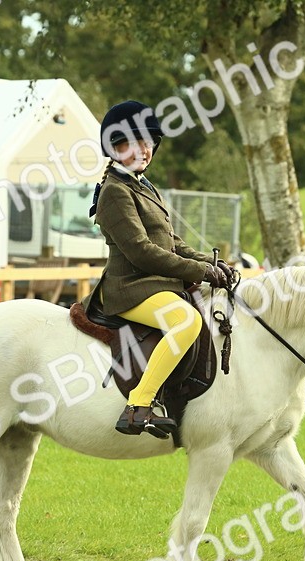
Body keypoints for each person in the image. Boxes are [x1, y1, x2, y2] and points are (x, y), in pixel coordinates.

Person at [84, 100, 237, 438]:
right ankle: (139, 405)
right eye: (134, 143)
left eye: (148, 143)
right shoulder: (114, 192)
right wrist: (199, 272)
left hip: (156, 283)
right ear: (115, 147)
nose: (144, 150)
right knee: (186, 321)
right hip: (131, 288)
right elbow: (143, 253)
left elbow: (171, 242)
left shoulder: (142, 186)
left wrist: (209, 264)